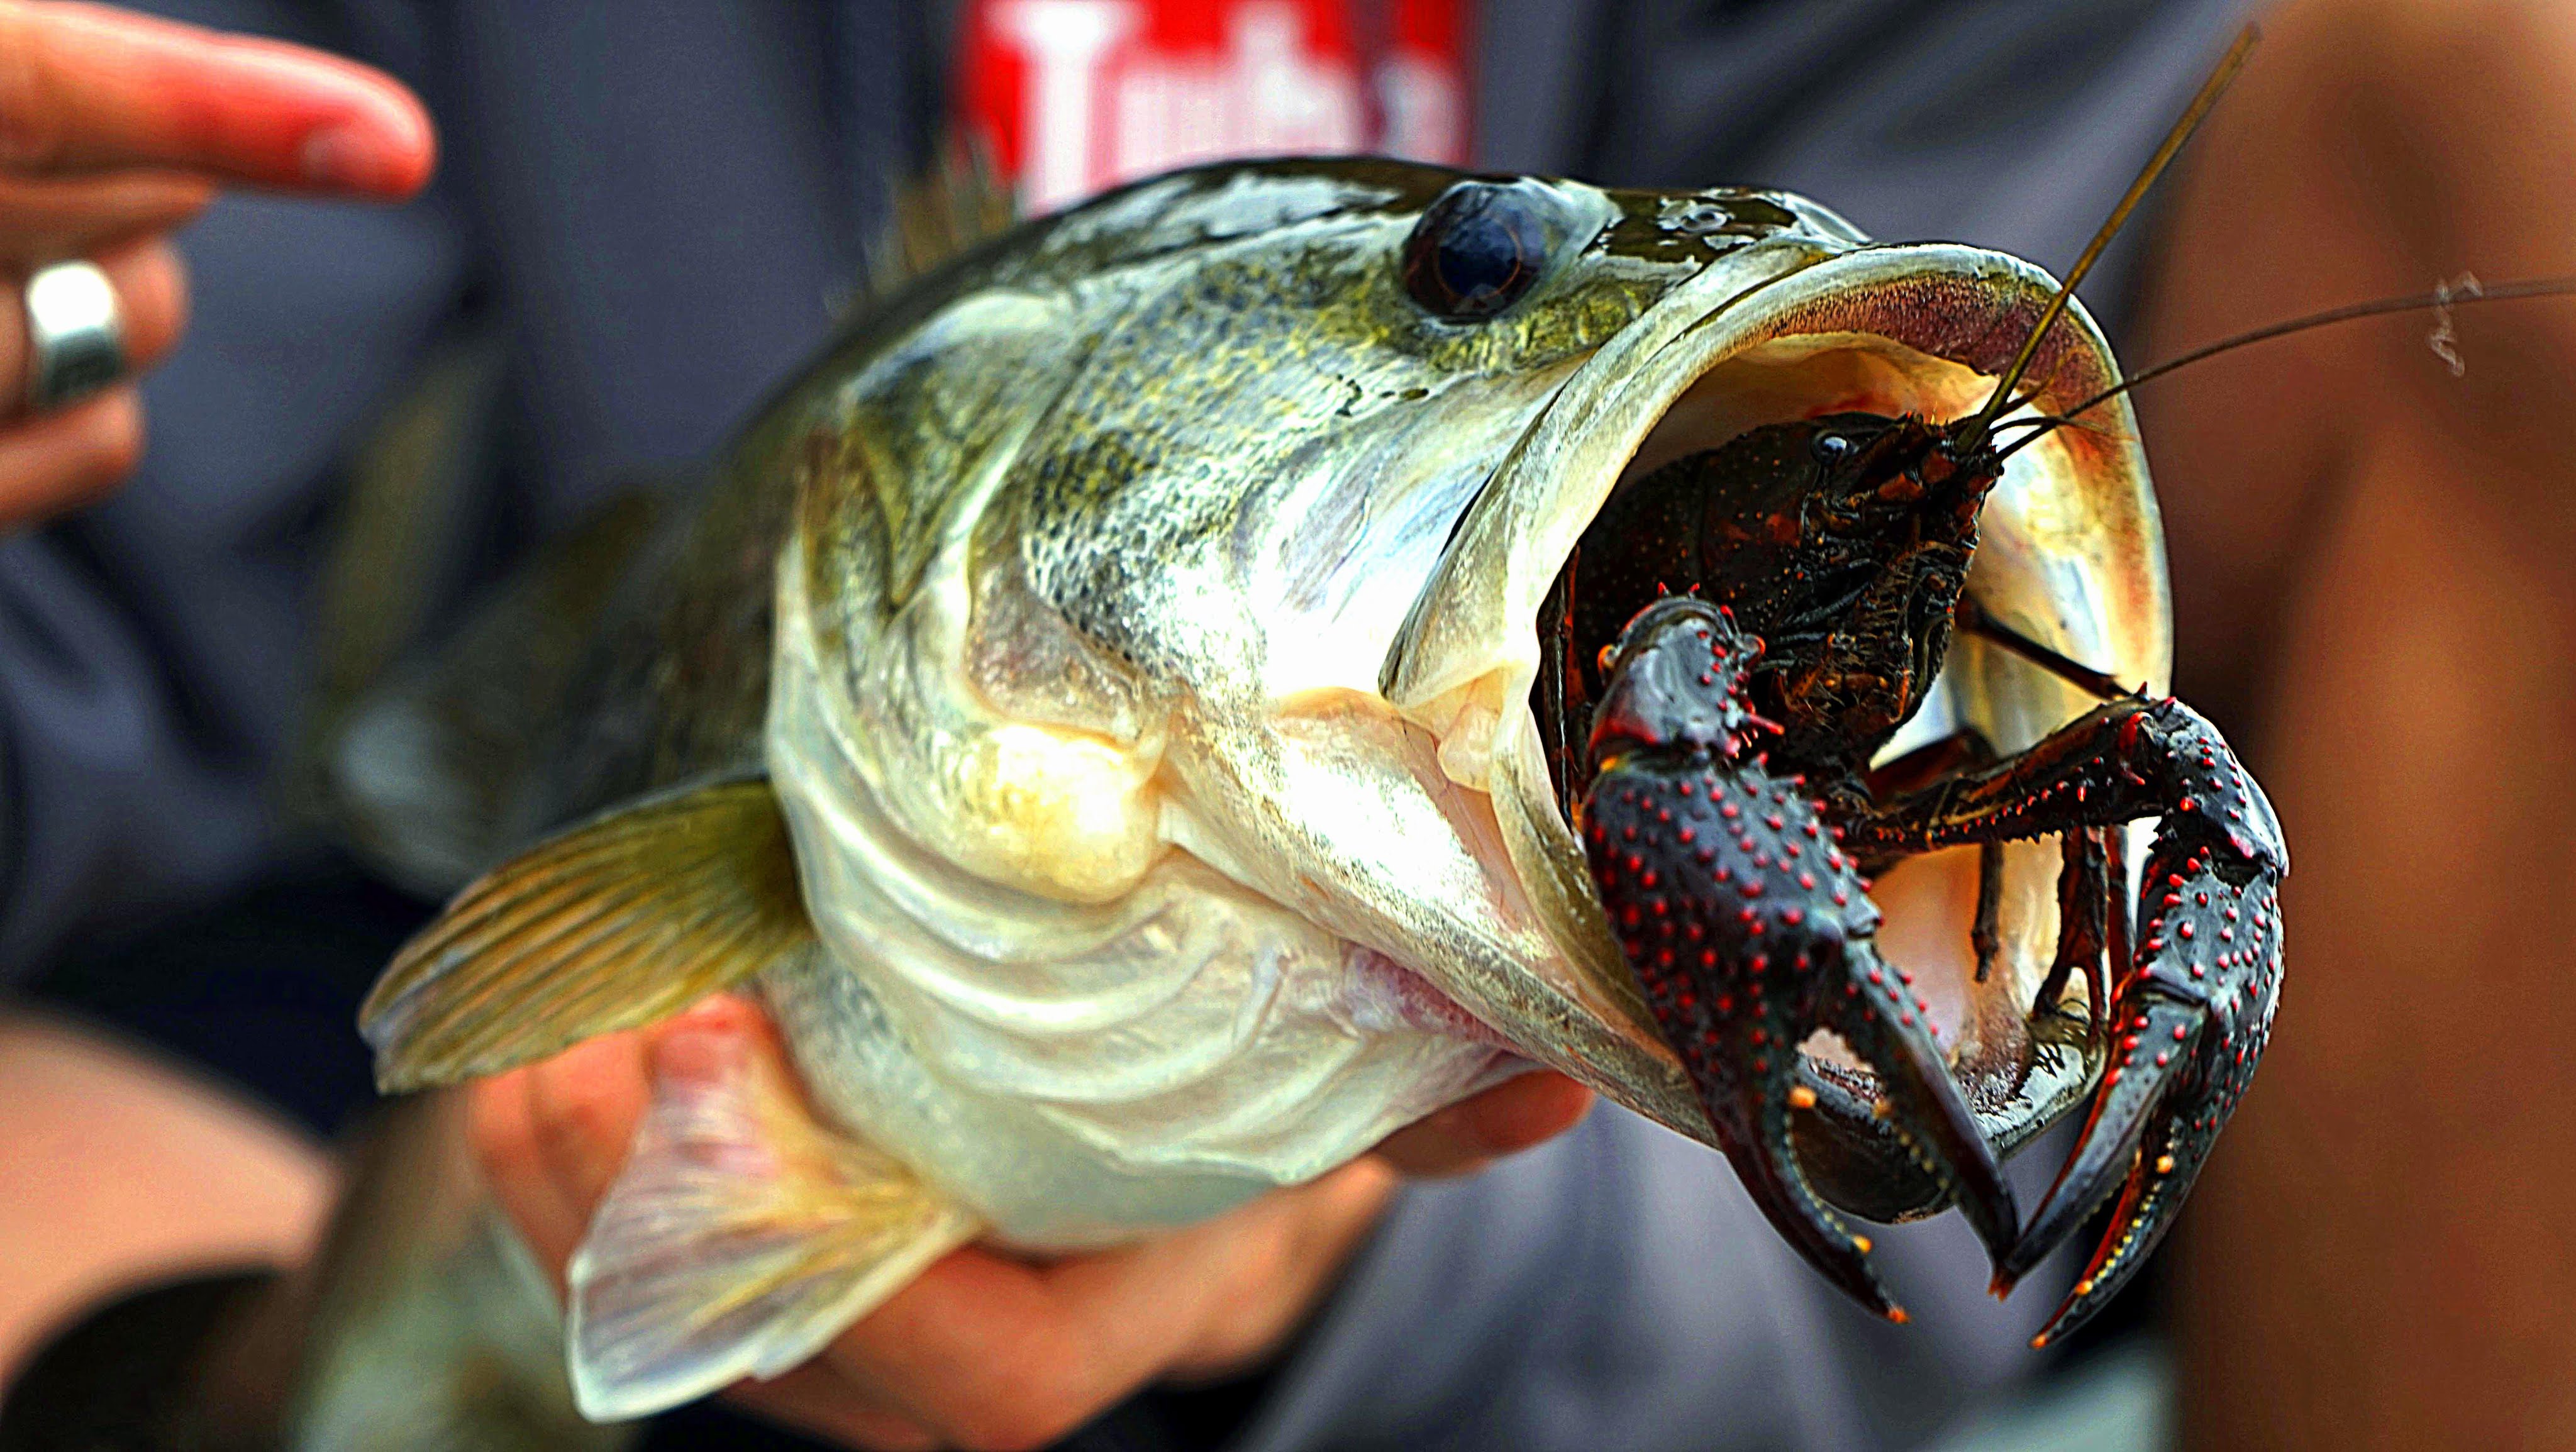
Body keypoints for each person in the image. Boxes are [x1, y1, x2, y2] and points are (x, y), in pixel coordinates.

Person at [23, 0, 2567, 1448]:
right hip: (539, 969)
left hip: (1551, 1203)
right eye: (1474, 286)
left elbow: (1866, 1203)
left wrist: (1326, 1253)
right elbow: (157, 750)